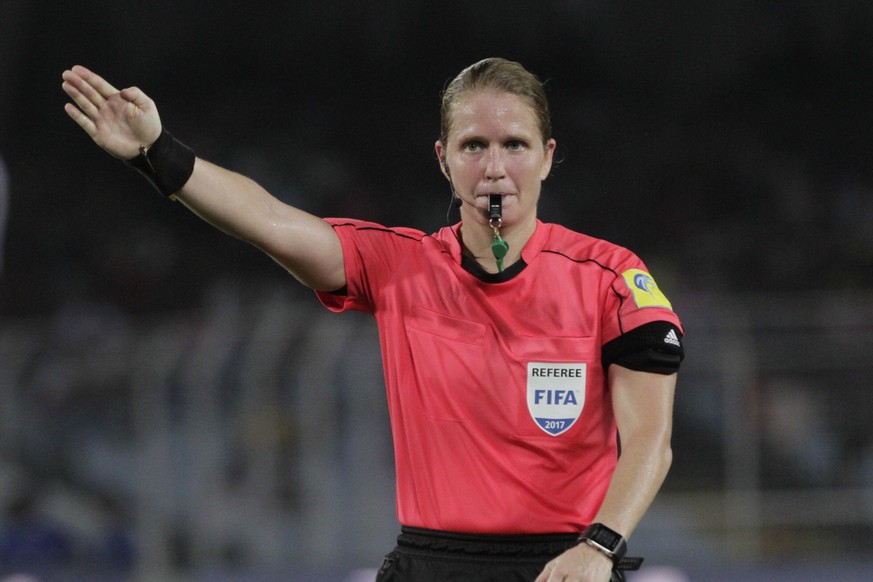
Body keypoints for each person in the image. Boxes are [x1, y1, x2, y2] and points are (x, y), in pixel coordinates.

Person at [61, 58, 684, 582]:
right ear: (444, 159)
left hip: (568, 566)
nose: (495, 167)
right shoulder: (398, 264)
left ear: (547, 157)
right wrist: (158, 153)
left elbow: (650, 442)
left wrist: (600, 545)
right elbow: (270, 221)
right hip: (430, 563)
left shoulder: (610, 278)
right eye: (474, 145)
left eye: (514, 145)